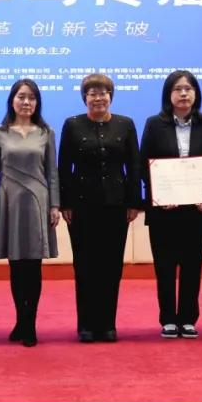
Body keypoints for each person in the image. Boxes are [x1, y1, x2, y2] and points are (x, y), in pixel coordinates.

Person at [58, 73, 142, 343]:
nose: (98, 98)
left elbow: (134, 165)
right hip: (81, 207)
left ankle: (107, 325)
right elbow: (64, 167)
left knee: (111, 266)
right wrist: (65, 202)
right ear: (85, 98)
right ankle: (86, 324)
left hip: (116, 206)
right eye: (92, 93)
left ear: (110, 96)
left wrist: (134, 202)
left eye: (103, 93)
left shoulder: (125, 124)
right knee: (84, 266)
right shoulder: (72, 125)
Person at [139, 70, 202, 339]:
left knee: (192, 266)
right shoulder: (154, 124)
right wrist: (159, 196)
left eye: (188, 89)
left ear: (196, 93)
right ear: (168, 94)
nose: (183, 93)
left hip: (197, 210)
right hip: (164, 211)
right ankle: (168, 319)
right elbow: (144, 164)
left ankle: (188, 318)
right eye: (177, 89)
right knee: (164, 266)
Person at [0, 78, 60, 347]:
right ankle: (20, 319)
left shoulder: (46, 132)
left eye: (31, 97)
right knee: (16, 265)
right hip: (9, 203)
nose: (26, 102)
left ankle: (30, 323)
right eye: (21, 97)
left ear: (37, 102)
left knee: (33, 266)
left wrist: (55, 205)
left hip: (38, 202)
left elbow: (52, 173)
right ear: (12, 100)